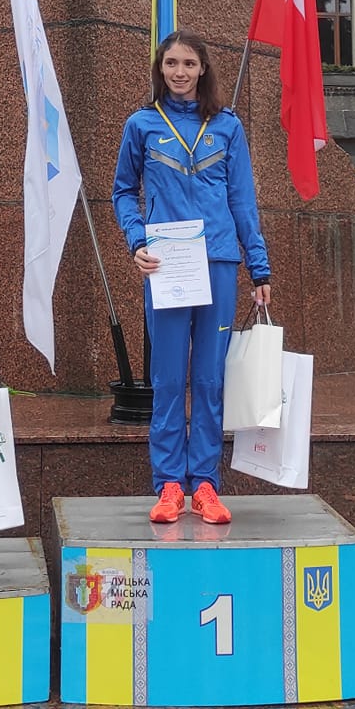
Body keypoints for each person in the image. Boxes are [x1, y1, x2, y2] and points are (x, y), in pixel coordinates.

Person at [112, 31, 271, 525]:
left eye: (189, 64)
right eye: (171, 63)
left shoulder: (227, 127)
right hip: (166, 264)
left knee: (207, 379)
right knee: (165, 379)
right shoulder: (141, 124)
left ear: (203, 69)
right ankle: (168, 487)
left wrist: (259, 265)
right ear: (160, 70)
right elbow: (122, 192)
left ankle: (203, 483)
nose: (179, 72)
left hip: (219, 262)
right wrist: (137, 240)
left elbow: (242, 200)